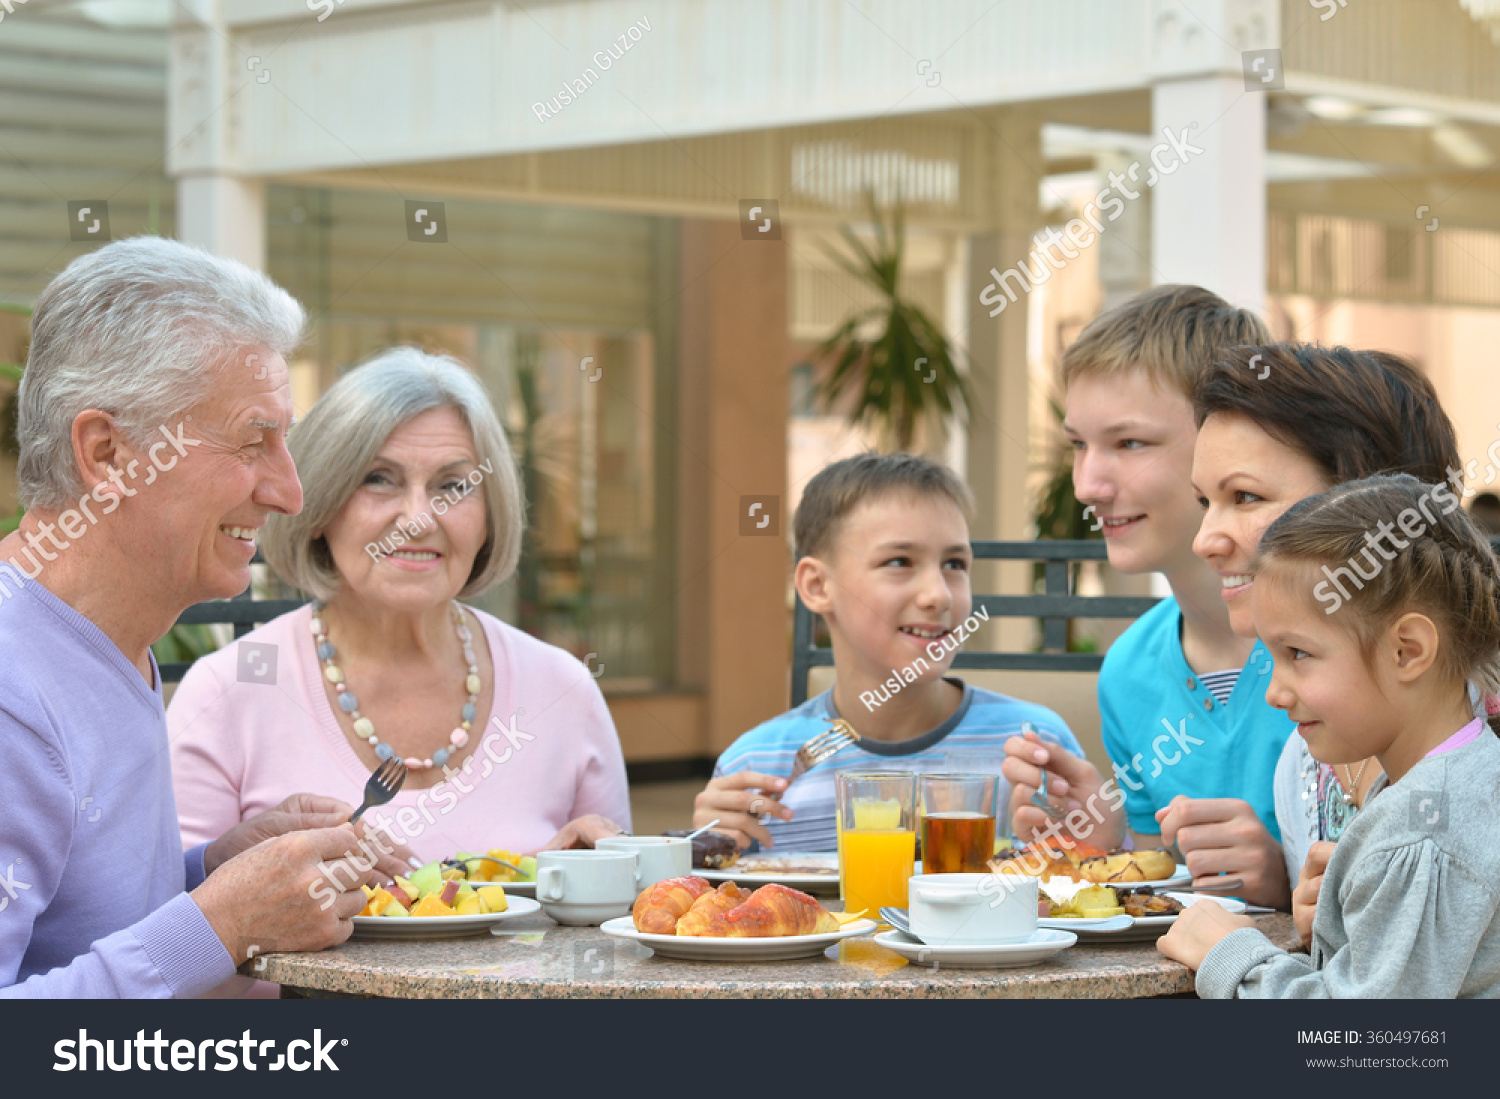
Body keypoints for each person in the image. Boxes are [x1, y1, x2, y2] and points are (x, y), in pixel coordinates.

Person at [0, 237, 407, 998]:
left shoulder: (106, 641)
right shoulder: (12, 694)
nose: (290, 492)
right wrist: (218, 924)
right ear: (109, 452)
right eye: (255, 441)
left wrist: (214, 874)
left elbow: (70, 929)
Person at [169, 348, 632, 865]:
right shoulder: (228, 692)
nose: (418, 517)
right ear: (318, 505)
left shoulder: (562, 689)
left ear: (489, 518)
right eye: (378, 478)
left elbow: (623, 922)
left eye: (453, 485)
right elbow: (179, 914)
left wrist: (557, 878)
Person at [1158, 474, 1500, 997]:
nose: (1274, 692)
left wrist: (1237, 959)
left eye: (1298, 654)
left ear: (1407, 650)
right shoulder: (1460, 788)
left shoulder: (1422, 836)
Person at [1001, 286, 1288, 902]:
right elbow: (1174, 883)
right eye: (1079, 444)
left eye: (1129, 443)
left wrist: (1281, 879)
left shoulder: (1346, 645)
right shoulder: (1129, 669)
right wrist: (1111, 844)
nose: (1087, 485)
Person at [1186, 344, 1461, 936]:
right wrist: (1304, 908)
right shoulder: (1306, 760)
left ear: (1370, 505)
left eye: (1246, 497)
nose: (1206, 539)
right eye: (1204, 502)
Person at [691, 452, 1083, 852]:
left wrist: (1081, 842)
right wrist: (709, 850)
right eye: (899, 561)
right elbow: (723, 907)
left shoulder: (1034, 750)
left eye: (954, 563)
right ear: (817, 586)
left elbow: (1116, 890)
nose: (939, 594)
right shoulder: (757, 766)